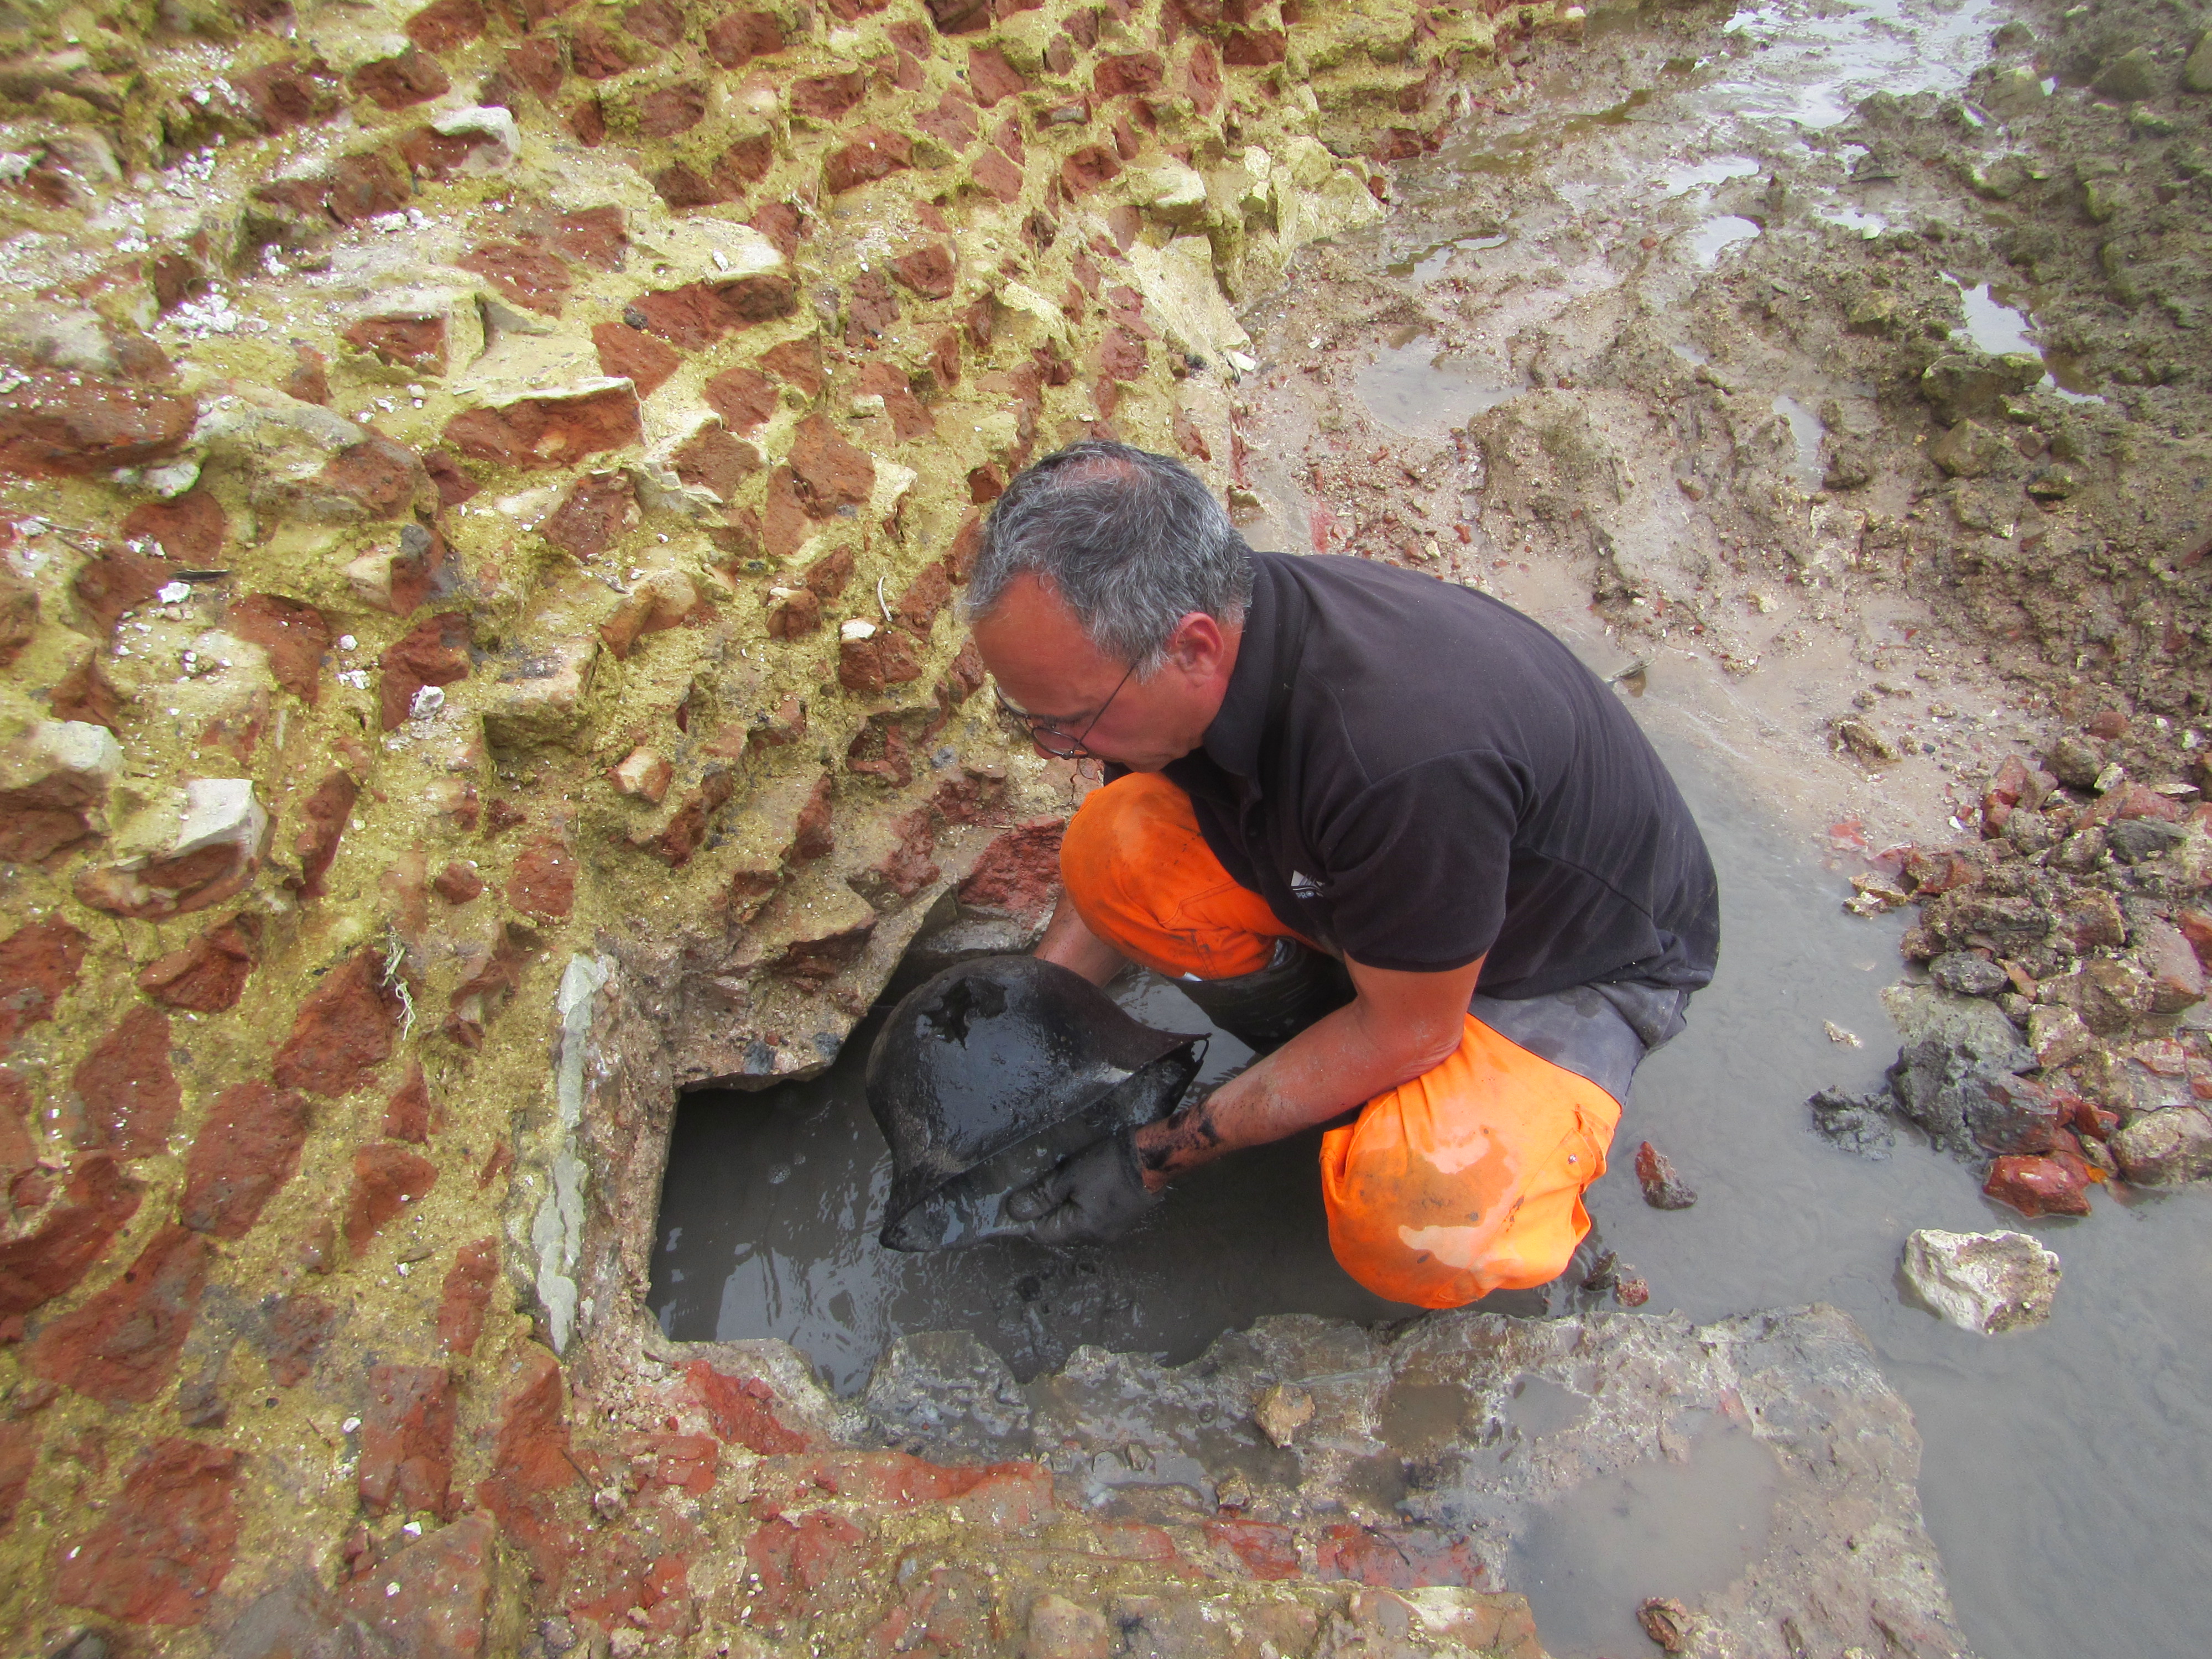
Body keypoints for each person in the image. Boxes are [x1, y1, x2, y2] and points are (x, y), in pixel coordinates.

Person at [966, 441, 1719, 1309]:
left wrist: (1160, 1153)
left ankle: (1467, 1145)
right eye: (1034, 719)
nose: (1059, 748)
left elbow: (1414, 1031)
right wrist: (1031, 1019)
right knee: (1112, 849)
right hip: (1406, 902)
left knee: (1416, 1221)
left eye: (1071, 722)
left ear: (1195, 648)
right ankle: (1324, 1056)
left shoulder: (1396, 755)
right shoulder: (1199, 633)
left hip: (1571, 963)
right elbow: (1118, 815)